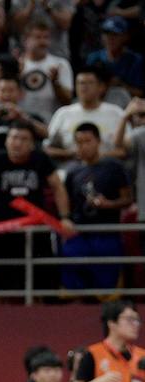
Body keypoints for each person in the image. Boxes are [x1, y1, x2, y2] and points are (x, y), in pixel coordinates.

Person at [0, 121, 71, 296]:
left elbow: (58, 187)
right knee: (1, 283)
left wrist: (64, 217)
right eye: (14, 137)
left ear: (32, 144)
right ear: (6, 141)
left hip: (35, 231)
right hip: (2, 231)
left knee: (42, 282)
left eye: (24, 139)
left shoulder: (40, 159)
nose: (18, 143)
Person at [61, 123, 132, 293]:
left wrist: (109, 204)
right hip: (79, 233)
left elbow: (128, 199)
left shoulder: (114, 167)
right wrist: (66, 220)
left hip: (106, 233)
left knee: (106, 282)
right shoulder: (72, 171)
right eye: (79, 142)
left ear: (98, 141)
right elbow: (66, 203)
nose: (83, 146)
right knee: (74, 276)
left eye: (87, 141)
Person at [45, 65, 125, 163]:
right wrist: (71, 154)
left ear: (101, 87)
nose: (84, 87)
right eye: (80, 83)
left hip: (106, 169)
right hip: (71, 169)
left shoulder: (116, 113)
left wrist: (94, 157)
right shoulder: (62, 113)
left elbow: (124, 150)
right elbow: (48, 148)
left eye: (90, 83)